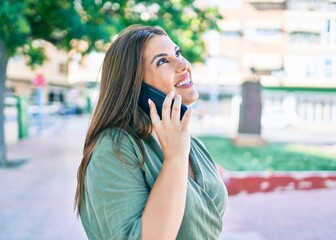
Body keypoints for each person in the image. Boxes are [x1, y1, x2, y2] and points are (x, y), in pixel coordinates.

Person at [75, 24, 228, 240]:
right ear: (135, 86)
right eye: (162, 61)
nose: (183, 64)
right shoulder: (113, 148)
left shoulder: (190, 143)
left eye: (177, 53)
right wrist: (175, 157)